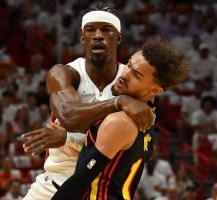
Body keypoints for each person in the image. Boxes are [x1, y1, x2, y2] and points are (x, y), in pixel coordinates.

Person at [22, 4, 155, 200]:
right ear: (82, 37)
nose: (98, 35)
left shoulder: (132, 81)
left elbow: (137, 145)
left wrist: (68, 138)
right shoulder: (63, 73)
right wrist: (119, 102)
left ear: (118, 38)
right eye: (90, 30)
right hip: (55, 186)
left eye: (106, 30)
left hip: (103, 191)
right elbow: (70, 117)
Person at [51, 37, 190, 199]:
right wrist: (69, 138)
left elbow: (81, 180)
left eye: (137, 75)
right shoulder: (149, 117)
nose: (125, 74)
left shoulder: (121, 122)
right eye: (129, 65)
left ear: (155, 90)